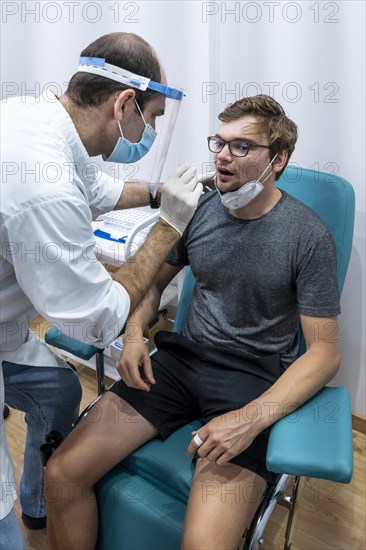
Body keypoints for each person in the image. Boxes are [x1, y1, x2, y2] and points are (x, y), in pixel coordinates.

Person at [45, 94, 341, 550]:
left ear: (277, 159)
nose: (222, 155)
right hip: (181, 362)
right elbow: (148, 287)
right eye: (218, 143)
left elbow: (324, 352)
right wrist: (133, 334)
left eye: (241, 147)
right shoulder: (201, 208)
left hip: (253, 379)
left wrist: (251, 418)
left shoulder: (307, 236)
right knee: (62, 475)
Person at [0, 31, 202, 540]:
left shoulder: (36, 117)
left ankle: (37, 501)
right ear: (125, 103)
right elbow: (96, 321)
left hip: (4, 326)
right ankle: (14, 513)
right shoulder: (42, 181)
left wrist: (158, 193)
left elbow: (95, 188)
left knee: (61, 390)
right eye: (153, 119)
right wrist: (169, 226)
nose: (151, 131)